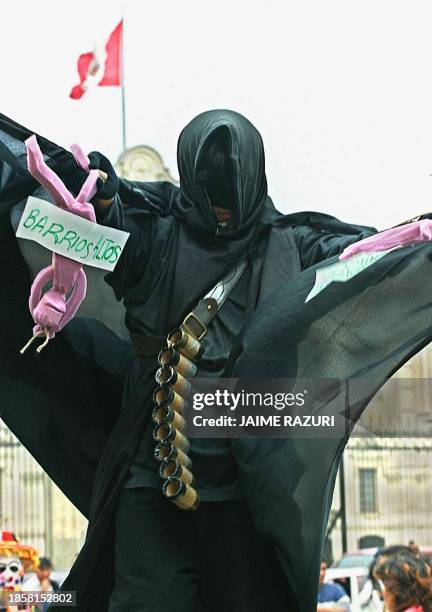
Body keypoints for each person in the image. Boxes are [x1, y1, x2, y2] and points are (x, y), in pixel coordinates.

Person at [3, 109, 432, 610]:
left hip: (244, 476)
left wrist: (416, 239)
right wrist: (100, 196)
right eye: (210, 192)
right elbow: (113, 232)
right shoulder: (157, 235)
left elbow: (366, 258)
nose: (222, 209)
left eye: (231, 192)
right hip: (153, 465)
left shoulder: (292, 244)